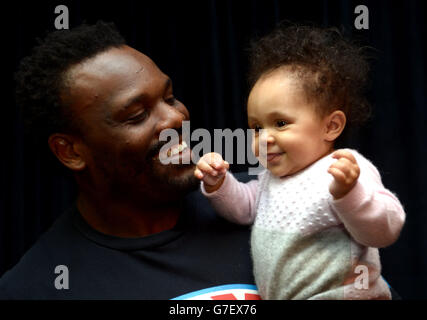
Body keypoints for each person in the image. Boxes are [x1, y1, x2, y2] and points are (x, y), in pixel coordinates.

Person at [0, 21, 259, 299]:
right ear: (70, 151)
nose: (175, 118)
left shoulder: (263, 204)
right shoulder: (38, 287)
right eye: (137, 115)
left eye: (170, 98)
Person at [195, 24, 406, 299]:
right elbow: (244, 208)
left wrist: (350, 194)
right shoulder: (270, 178)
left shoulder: (344, 169)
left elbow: (385, 230)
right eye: (256, 127)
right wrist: (219, 183)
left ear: (331, 126)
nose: (264, 138)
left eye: (280, 123)